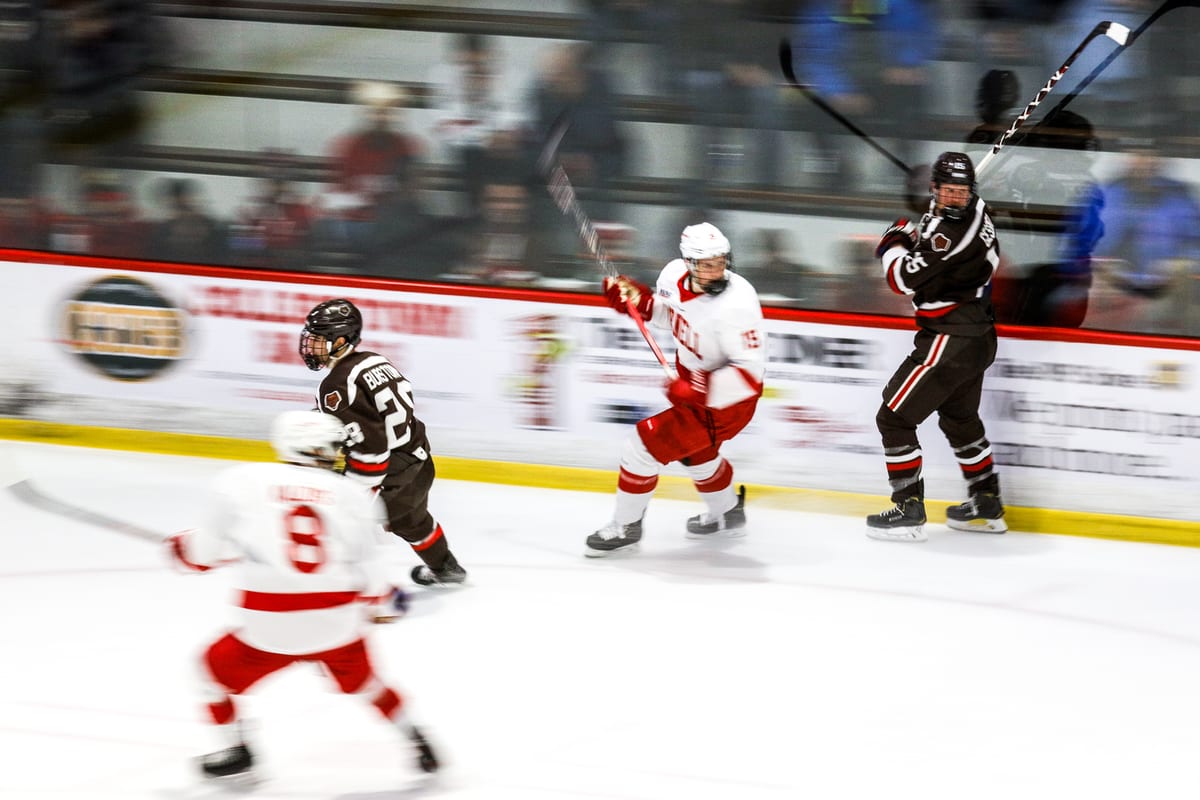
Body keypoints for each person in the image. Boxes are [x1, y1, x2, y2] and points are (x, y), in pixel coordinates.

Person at [166, 410, 438, 781]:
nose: (337, 455)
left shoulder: (241, 481)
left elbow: (201, 554)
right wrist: (389, 602)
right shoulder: (355, 497)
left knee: (205, 675)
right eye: (332, 448)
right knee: (368, 685)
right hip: (335, 625)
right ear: (313, 447)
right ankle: (418, 740)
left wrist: (183, 549)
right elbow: (374, 585)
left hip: (266, 628)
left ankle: (235, 748)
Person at [585, 222, 766, 557]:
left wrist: (696, 388)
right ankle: (726, 512)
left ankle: (626, 527)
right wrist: (636, 300)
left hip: (727, 405)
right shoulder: (672, 276)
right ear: (687, 263)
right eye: (706, 264)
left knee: (641, 446)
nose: (716, 271)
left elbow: (749, 376)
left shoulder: (737, 303)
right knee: (697, 453)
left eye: (721, 261)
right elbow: (670, 316)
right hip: (697, 393)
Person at [867, 151, 1007, 543]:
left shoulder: (949, 235)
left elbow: (901, 279)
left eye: (961, 192)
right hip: (977, 336)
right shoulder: (977, 209)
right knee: (959, 420)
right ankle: (986, 502)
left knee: (893, 418)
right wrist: (925, 227)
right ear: (936, 189)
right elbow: (939, 228)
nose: (956, 198)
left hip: (950, 337)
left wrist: (895, 241)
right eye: (949, 191)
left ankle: (908, 508)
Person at [299, 298, 468, 586]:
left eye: (317, 339)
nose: (310, 346)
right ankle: (446, 568)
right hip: (418, 457)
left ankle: (354, 589)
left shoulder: (337, 385)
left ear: (340, 340)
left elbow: (371, 451)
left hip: (389, 468)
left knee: (342, 520)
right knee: (411, 520)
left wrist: (351, 496)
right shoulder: (374, 360)